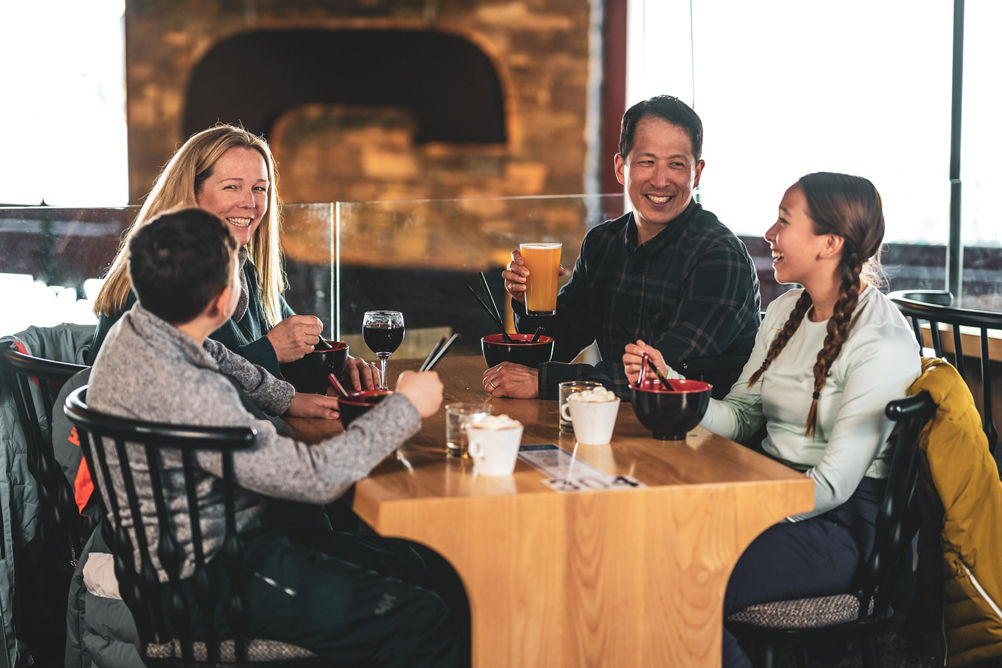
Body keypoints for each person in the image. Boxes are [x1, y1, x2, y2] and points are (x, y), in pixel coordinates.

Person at [87, 208, 462, 665]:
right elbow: (315, 478)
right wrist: (405, 408)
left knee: (420, 566)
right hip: (216, 582)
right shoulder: (190, 392)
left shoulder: (140, 330)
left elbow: (223, 356)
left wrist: (288, 399)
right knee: (424, 616)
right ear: (225, 300)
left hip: (193, 563)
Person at [624, 172, 921, 667]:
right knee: (643, 549)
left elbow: (831, 486)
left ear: (829, 243)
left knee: (681, 580)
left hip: (838, 526)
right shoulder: (786, 310)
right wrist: (671, 383)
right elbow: (740, 418)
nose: (769, 234)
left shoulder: (880, 341)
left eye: (784, 222)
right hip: (768, 495)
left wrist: (738, 512)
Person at [486, 94, 760, 399]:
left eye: (676, 165)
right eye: (647, 162)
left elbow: (658, 372)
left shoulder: (719, 256)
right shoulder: (603, 243)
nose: (660, 180)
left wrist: (545, 381)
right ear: (621, 167)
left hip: (703, 434)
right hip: (620, 421)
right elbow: (560, 342)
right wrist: (528, 298)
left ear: (697, 173)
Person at [91, 123, 377, 388]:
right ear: (190, 192)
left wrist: (338, 365)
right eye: (232, 187)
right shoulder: (156, 278)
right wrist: (270, 350)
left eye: (259, 189)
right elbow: (178, 386)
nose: (250, 203)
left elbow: (300, 345)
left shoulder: (242, 268)